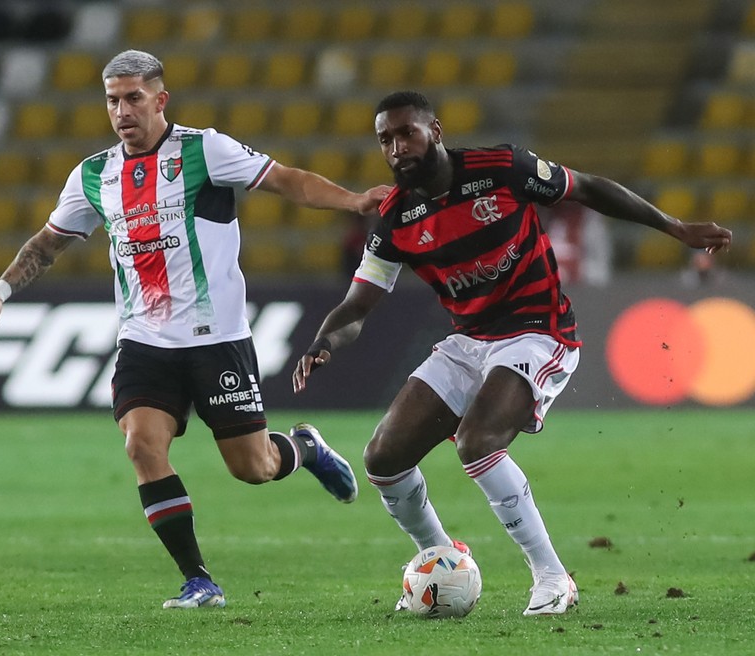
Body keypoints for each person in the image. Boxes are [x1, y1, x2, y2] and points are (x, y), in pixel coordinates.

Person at [0, 50, 389, 609]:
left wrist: (354, 200)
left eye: (134, 98)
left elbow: (286, 180)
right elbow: (47, 243)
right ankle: (198, 579)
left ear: (160, 100)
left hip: (217, 339)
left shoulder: (204, 150)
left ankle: (305, 449)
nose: (122, 111)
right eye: (113, 100)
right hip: (144, 341)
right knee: (142, 445)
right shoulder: (93, 175)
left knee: (253, 467)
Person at [292, 91, 732, 616]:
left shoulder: (501, 168)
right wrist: (323, 341)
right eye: (385, 139)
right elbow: (358, 304)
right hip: (469, 340)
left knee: (477, 442)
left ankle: (552, 578)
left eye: (406, 132)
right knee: (383, 458)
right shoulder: (395, 218)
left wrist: (674, 228)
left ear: (435, 130)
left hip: (538, 330)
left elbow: (587, 187)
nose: (396, 147)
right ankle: (439, 554)